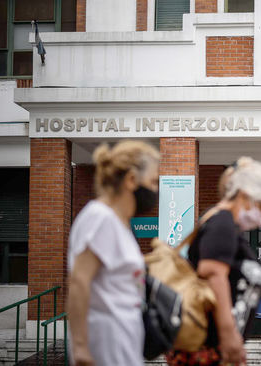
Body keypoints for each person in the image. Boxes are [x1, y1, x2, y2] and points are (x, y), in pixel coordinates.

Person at [166, 157, 261, 366]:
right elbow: (213, 275)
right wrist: (229, 336)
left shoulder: (224, 224)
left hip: (214, 345)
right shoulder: (222, 223)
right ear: (245, 195)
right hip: (209, 346)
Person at [67, 141, 160, 366]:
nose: (156, 190)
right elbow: (79, 282)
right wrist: (80, 348)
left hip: (124, 343)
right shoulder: (100, 218)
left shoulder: (121, 224)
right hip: (105, 344)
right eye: (153, 182)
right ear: (131, 180)